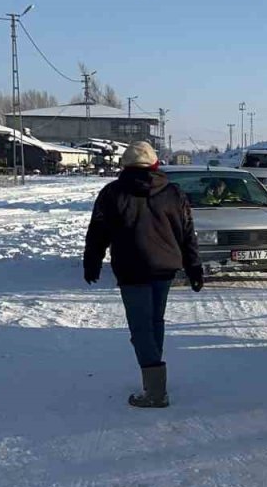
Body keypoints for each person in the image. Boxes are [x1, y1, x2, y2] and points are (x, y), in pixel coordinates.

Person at [83, 141, 203, 408]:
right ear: (155, 164)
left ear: (125, 165)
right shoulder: (174, 193)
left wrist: (91, 262)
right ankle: (154, 377)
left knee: (140, 328)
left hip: (132, 267)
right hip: (165, 267)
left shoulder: (112, 193)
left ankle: (155, 391)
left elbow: (97, 233)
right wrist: (194, 268)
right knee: (154, 322)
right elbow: (187, 234)